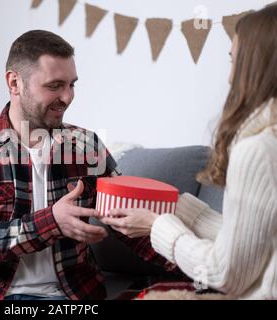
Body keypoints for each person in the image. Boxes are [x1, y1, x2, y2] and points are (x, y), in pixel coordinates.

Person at [0, 30, 176, 300]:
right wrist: (51, 222)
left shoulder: (86, 146)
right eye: (54, 86)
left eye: (72, 84)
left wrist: (191, 262)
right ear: (14, 82)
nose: (67, 97)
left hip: (72, 294)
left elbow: (128, 222)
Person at [100, 4, 277, 299]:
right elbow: (249, 241)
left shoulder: (258, 149)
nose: (230, 77)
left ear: (254, 66)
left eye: (233, 61)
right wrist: (179, 208)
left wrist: (157, 226)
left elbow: (225, 274)